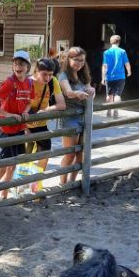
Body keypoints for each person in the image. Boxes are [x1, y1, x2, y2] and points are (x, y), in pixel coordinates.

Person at [0, 50, 34, 204]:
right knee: (2, 166)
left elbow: (30, 101)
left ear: (28, 66)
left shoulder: (30, 82)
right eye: (16, 63)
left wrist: (25, 112)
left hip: (20, 129)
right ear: (12, 66)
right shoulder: (10, 82)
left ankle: (4, 196)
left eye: (22, 64)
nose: (18, 66)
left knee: (13, 165)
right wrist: (7, 115)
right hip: (7, 131)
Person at [58, 47, 95, 185]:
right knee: (69, 154)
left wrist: (91, 90)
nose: (79, 63)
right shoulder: (63, 75)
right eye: (76, 60)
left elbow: (89, 89)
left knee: (81, 155)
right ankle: (63, 184)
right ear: (68, 59)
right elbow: (68, 92)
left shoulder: (83, 75)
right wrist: (77, 93)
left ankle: (72, 182)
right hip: (69, 118)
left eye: (82, 60)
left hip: (84, 118)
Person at [26, 58, 66, 171]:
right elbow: (16, 108)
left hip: (41, 125)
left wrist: (46, 110)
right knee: (24, 159)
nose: (47, 78)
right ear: (36, 71)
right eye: (44, 74)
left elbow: (62, 105)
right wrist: (24, 128)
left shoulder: (53, 81)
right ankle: (21, 185)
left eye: (50, 74)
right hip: (24, 126)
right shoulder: (27, 82)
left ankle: (37, 182)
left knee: (45, 155)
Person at [101, 35, 131, 118]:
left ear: (111, 42)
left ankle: (108, 111)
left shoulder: (106, 52)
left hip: (109, 77)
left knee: (109, 95)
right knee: (117, 95)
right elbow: (126, 63)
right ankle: (116, 111)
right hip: (120, 77)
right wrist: (129, 72)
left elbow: (104, 66)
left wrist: (103, 78)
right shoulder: (122, 51)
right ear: (119, 42)